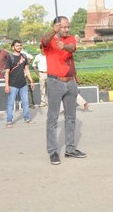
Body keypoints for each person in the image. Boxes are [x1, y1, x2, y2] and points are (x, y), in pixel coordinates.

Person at [42, 16, 86, 165]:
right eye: (63, 27)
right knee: (52, 119)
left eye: (68, 27)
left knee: (71, 117)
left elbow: (72, 48)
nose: (67, 29)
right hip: (55, 82)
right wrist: (52, 32)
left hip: (70, 82)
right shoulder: (50, 40)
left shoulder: (70, 38)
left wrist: (64, 46)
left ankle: (70, 148)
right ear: (57, 27)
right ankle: (53, 151)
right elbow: (44, 42)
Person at [4, 40, 35, 127]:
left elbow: (27, 69)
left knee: (25, 102)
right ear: (12, 47)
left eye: (20, 45)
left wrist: (31, 80)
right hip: (12, 84)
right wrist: (6, 85)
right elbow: (6, 72)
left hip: (23, 84)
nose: (19, 47)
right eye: (17, 46)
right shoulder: (10, 57)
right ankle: (9, 121)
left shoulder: (24, 56)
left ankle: (27, 118)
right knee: (10, 103)